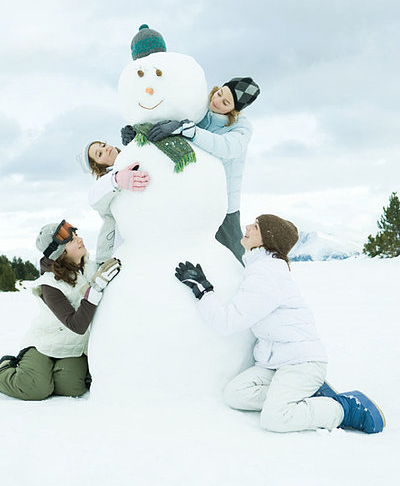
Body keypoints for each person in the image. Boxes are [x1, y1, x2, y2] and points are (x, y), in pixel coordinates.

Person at [174, 214, 385, 434]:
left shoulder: (267, 275)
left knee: (276, 418)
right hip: (276, 363)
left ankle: (345, 409)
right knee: (235, 394)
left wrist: (203, 290)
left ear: (267, 238)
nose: (246, 227)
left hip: (301, 362)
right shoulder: (261, 268)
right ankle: (303, 395)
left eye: (255, 226)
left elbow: (229, 322)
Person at [122, 77, 260, 265]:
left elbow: (228, 148)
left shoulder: (241, 127)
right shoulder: (200, 111)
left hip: (224, 203)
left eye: (226, 102)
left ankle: (244, 288)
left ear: (234, 110)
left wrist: (190, 131)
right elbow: (166, 118)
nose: (217, 101)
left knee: (232, 256)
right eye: (219, 93)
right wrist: (138, 133)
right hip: (192, 196)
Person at [0, 220, 121, 401]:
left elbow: (107, 237)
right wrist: (94, 290)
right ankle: (5, 368)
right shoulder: (49, 285)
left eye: (76, 235)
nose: (79, 240)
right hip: (44, 344)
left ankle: (49, 375)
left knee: (72, 387)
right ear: (60, 253)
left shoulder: (88, 266)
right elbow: (76, 324)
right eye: (72, 241)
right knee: (35, 389)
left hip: (73, 347)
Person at [77, 141, 150, 264]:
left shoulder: (133, 155)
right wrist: (116, 180)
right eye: (99, 154)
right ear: (99, 166)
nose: (105, 149)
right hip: (119, 255)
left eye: (103, 145)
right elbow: (93, 197)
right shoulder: (105, 184)